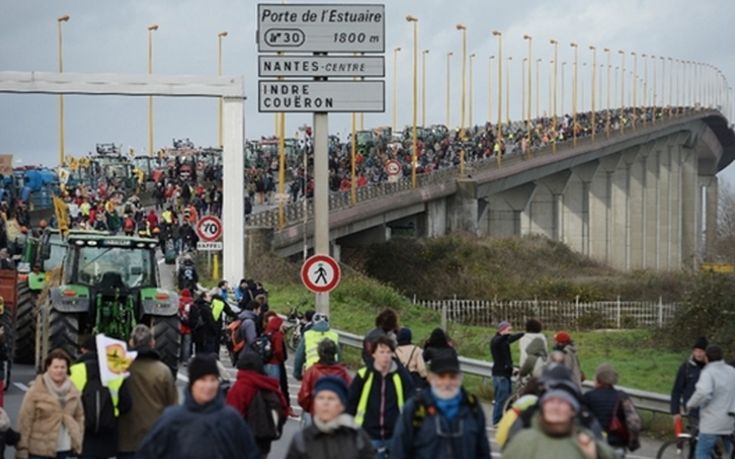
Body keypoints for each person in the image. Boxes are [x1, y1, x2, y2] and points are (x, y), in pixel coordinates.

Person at [136, 354, 260, 459]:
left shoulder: (232, 420)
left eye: (213, 379)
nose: (208, 385)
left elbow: (250, 453)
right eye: (203, 380)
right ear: (192, 383)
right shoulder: (171, 420)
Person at [390, 353, 491, 459]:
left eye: (452, 377)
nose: (447, 383)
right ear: (430, 378)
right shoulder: (416, 408)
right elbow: (399, 450)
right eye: (441, 377)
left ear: (460, 378)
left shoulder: (472, 407)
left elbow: (482, 449)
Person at [503, 376, 616, 459]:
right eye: (550, 401)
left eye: (562, 402)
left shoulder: (587, 441)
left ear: (573, 410)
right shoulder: (522, 441)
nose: (556, 406)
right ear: (542, 408)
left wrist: (595, 455)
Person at [348, 335, 414, 458]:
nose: (385, 356)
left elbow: (413, 401)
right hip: (370, 434)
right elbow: (351, 404)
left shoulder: (401, 375)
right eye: (382, 352)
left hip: (396, 435)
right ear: (374, 354)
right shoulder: (364, 375)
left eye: (389, 352)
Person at [117, 324, 178, 458]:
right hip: (154, 438)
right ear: (152, 343)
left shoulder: (119, 369)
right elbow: (173, 407)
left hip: (125, 440)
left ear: (131, 342)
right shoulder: (163, 371)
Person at [70, 337, 132, 459]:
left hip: (82, 434)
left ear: (83, 350)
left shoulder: (75, 370)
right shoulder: (114, 371)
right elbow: (126, 404)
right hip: (108, 435)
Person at [16, 349, 85, 459]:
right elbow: (25, 420)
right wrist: (22, 448)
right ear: (48, 367)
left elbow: (79, 416)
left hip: (65, 449)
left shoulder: (73, 391)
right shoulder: (36, 390)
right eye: (56, 367)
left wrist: (77, 438)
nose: (59, 371)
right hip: (39, 451)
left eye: (63, 367)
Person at [287, 376, 375, 459]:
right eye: (320, 398)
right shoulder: (302, 439)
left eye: (331, 398)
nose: (325, 403)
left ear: (342, 405)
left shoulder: (357, 438)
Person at [226, 349, 288, 458]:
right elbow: (283, 409)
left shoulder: (241, 387)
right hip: (264, 440)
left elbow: (232, 417)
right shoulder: (270, 386)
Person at [685, 345, 735, 459]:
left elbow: (703, 392)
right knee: (730, 452)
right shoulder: (732, 370)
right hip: (730, 420)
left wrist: (690, 404)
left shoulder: (708, 372)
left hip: (712, 421)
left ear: (706, 358)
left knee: (702, 454)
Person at [583, 364, 641, 458]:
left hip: (594, 447)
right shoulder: (622, 397)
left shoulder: (588, 397)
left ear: (598, 378)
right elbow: (634, 424)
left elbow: (578, 422)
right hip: (616, 447)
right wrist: (633, 443)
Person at [298, 339, 352, 418]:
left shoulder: (312, 371)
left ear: (319, 353)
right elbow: (351, 394)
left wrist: (312, 408)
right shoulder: (343, 372)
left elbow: (304, 396)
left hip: (315, 413)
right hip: (337, 415)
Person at [490, 321, 524, 425]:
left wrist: (524, 334)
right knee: (502, 398)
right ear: (502, 330)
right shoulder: (496, 340)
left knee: (506, 397)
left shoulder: (504, 341)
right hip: (499, 374)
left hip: (505, 373)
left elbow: (511, 338)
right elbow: (502, 339)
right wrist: (506, 334)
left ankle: (504, 419)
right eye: (508, 329)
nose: (510, 332)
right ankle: (496, 420)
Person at [670, 337, 708, 430]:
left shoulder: (711, 368)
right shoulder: (686, 367)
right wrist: (675, 411)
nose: (698, 354)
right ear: (693, 351)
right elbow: (676, 390)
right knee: (696, 440)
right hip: (693, 411)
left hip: (709, 411)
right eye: (696, 351)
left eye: (701, 351)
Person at [294, 312, 340, 381]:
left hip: (311, 372)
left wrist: (297, 374)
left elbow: (299, 357)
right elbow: (339, 357)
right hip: (331, 373)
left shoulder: (307, 335)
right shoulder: (334, 336)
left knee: (307, 391)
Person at [394, 327, 427, 391]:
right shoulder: (416, 350)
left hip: (399, 379)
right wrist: (425, 377)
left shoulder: (394, 351)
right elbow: (421, 368)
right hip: (414, 379)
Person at [262, 312, 286, 381]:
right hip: (274, 362)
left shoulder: (266, 332)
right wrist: (281, 359)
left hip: (265, 362)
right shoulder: (277, 335)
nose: (283, 327)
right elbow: (278, 350)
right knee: (274, 385)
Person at [178, 288, 194, 363]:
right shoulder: (191, 302)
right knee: (187, 344)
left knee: (179, 343)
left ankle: (179, 358)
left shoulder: (178, 301)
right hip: (188, 326)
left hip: (180, 325)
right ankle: (185, 360)